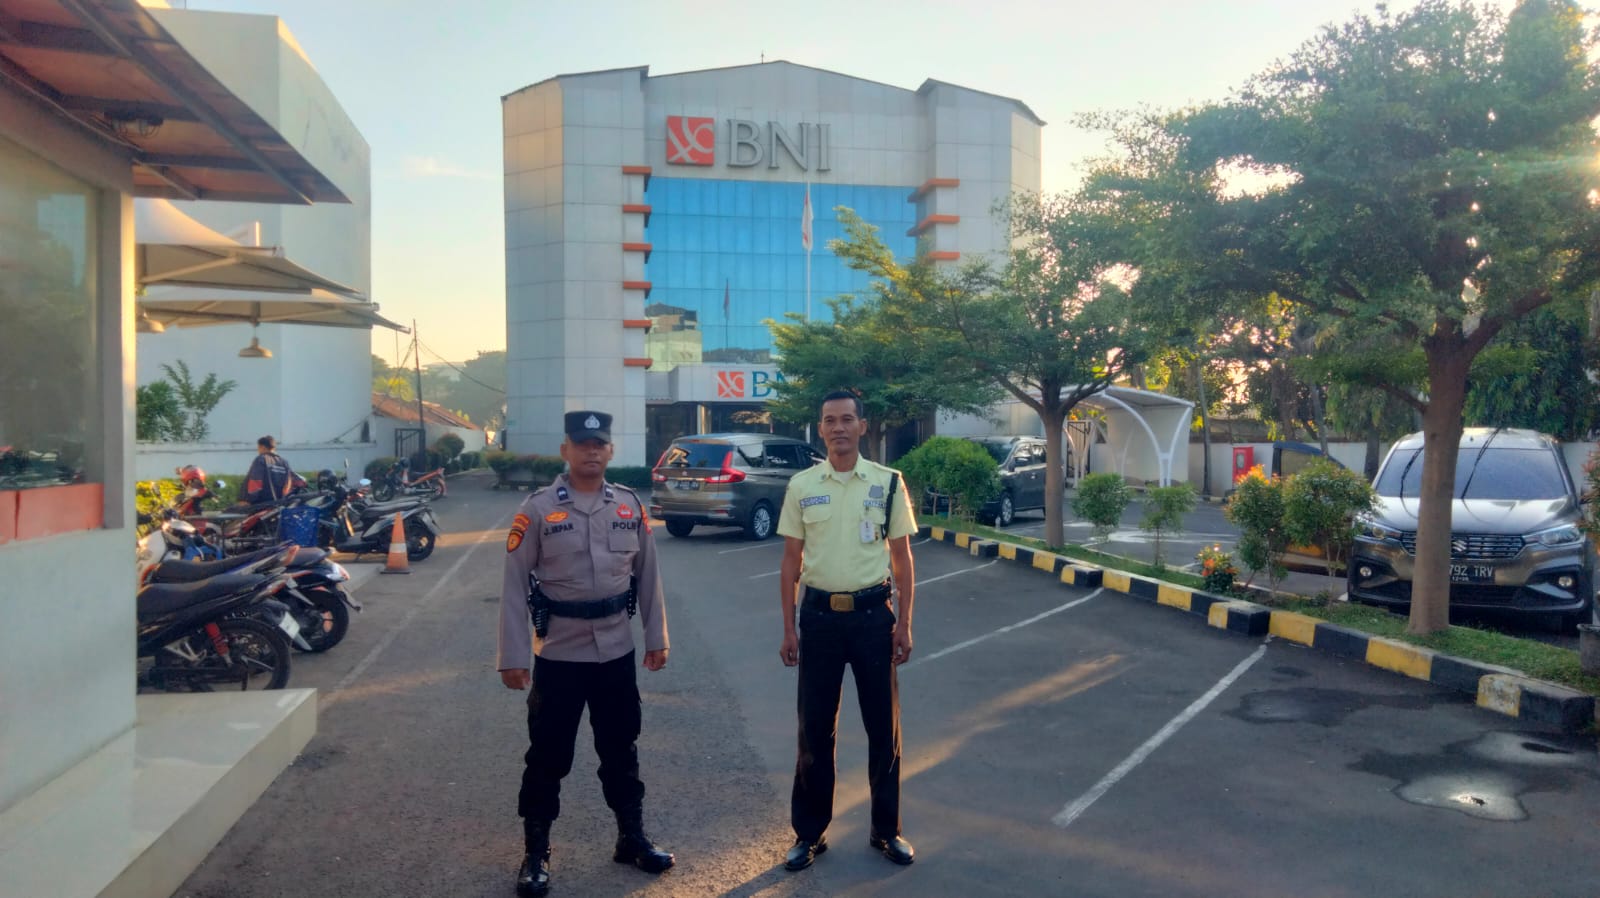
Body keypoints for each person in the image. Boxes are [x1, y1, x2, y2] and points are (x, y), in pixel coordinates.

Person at [497, 410, 673, 897]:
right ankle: (536, 853)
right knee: (547, 756)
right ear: (566, 451)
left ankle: (631, 838)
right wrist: (513, 656)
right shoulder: (536, 510)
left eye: (599, 444)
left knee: (621, 749)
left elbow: (649, 575)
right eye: (582, 444)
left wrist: (656, 637)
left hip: (616, 650)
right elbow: (513, 585)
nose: (591, 451)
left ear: (610, 450)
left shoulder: (628, 505)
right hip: (559, 655)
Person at [777, 389, 918, 872]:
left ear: (862, 426)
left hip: (873, 618)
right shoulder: (801, 485)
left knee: (883, 728)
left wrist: (904, 623)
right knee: (814, 730)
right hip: (818, 620)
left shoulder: (888, 483)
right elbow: (790, 561)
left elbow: (902, 559)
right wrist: (788, 628)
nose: (838, 427)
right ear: (820, 429)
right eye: (829, 420)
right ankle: (809, 834)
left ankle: (886, 830)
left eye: (846, 419)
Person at [239, 435, 302, 505]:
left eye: (258, 448)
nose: (258, 451)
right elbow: (288, 484)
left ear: (262, 447)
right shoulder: (284, 462)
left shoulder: (261, 459)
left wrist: (249, 500)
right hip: (278, 504)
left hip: (261, 504)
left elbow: (255, 482)